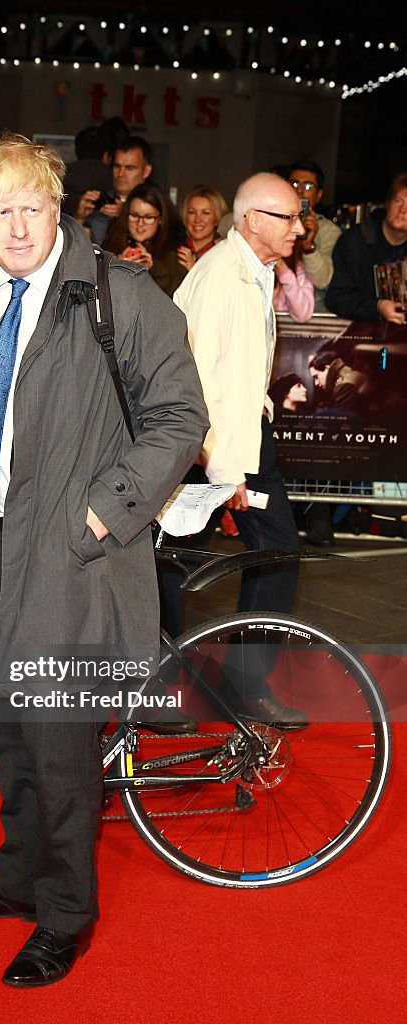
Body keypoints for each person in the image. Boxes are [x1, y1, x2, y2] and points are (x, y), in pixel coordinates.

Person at [0, 133, 207, 987]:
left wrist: (103, 516)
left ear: (59, 206)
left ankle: (65, 914)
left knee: (62, 744)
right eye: (0, 211)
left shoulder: (119, 295)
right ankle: (18, 879)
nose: (18, 227)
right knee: (6, 734)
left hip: (74, 553)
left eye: (33, 207)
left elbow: (180, 418)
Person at [172, 172, 308, 729]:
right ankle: (155, 691)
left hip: (246, 439)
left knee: (274, 553)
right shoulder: (220, 278)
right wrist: (223, 471)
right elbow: (191, 384)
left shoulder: (256, 273)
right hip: (204, 447)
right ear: (252, 220)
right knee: (171, 565)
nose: (300, 227)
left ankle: (242, 684)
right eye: (289, 217)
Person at [326, 172, 407, 324]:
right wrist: (377, 306)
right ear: (387, 203)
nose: (403, 210)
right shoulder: (355, 241)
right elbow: (337, 298)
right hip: (357, 333)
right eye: (398, 201)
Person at [104, 183, 186, 296]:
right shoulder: (110, 244)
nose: (140, 223)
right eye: (134, 215)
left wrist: (154, 268)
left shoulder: (174, 252)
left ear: (160, 219)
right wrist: (116, 268)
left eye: (148, 217)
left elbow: (179, 296)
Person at [288, 159, 341, 313]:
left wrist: (308, 246)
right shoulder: (271, 221)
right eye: (294, 184)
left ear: (319, 195)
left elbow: (324, 281)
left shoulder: (328, 231)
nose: (300, 191)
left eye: (308, 186)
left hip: (314, 313)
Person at [176, 185, 228, 270]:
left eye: (205, 213)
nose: (197, 219)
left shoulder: (225, 253)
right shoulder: (173, 250)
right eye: (192, 212)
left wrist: (194, 270)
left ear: (217, 218)